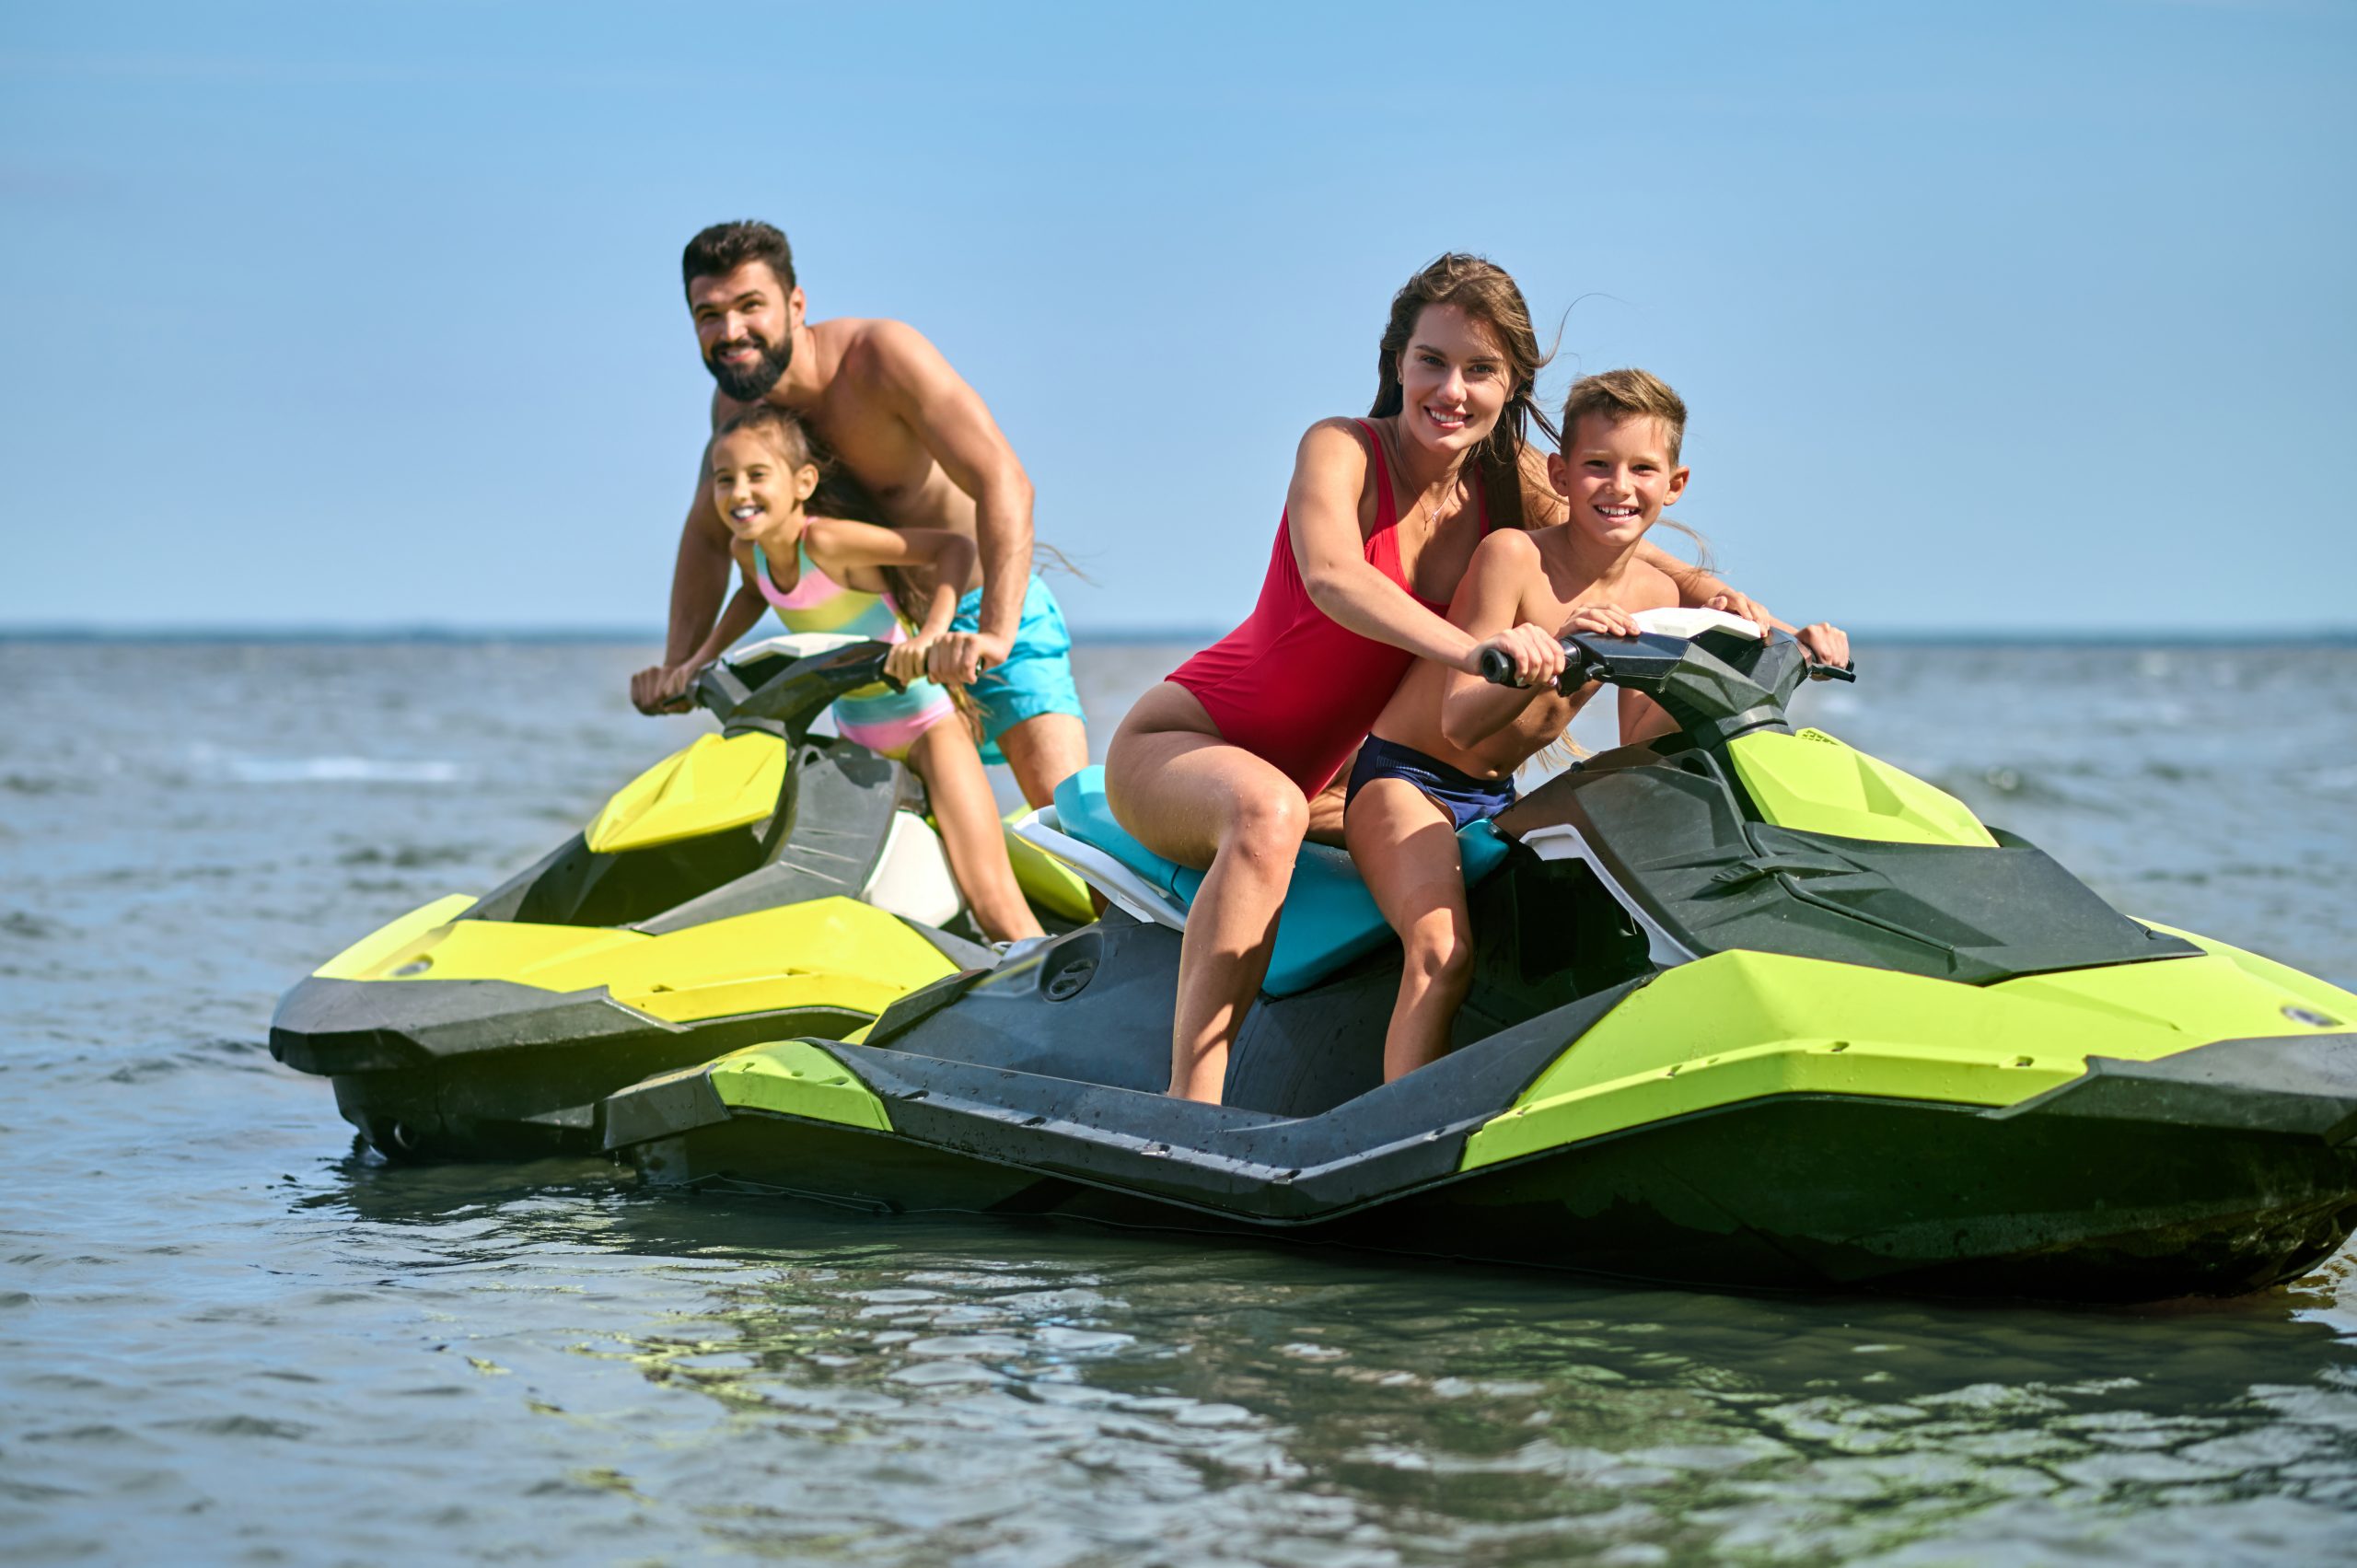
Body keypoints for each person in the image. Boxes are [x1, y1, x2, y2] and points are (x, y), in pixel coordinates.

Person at [1105, 254, 1790, 1104]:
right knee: (1264, 810)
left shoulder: (1513, 482)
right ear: (1398, 361)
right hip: (1189, 740)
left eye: (1481, 369)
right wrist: (1476, 654)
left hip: (1336, 784)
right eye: (1432, 360)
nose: (1452, 389)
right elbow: (1332, 576)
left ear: (1512, 385)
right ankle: (1189, 1108)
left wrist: (1725, 601)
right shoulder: (1341, 448)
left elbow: (1626, 541)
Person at [1347, 368, 1848, 1082]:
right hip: (1409, 781)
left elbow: (1640, 745)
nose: (1620, 486)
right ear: (1560, 472)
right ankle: (1393, 1139)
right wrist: (1559, 647)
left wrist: (1786, 649)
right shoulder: (1514, 556)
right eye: (1597, 466)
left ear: (1674, 484)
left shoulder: (1656, 591)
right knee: (1443, 952)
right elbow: (1458, 722)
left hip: (1498, 800)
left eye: (1643, 468)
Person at [630, 221, 1087, 810]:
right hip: (880, 654)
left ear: (796, 305)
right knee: (915, 867)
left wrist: (996, 632)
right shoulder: (738, 407)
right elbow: (707, 537)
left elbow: (1004, 480)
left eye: (749, 306)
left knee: (1074, 831)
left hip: (976, 619)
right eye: (708, 315)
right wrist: (678, 670)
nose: (730, 331)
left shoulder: (881, 358)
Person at [666, 404, 1043, 944]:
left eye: (756, 475)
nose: (738, 492)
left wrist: (932, 632)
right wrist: (699, 659)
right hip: (856, 737)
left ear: (803, 483)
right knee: (864, 902)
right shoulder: (746, 553)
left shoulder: (825, 543)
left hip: (926, 726)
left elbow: (951, 548)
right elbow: (753, 594)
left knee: (995, 906)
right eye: (724, 480)